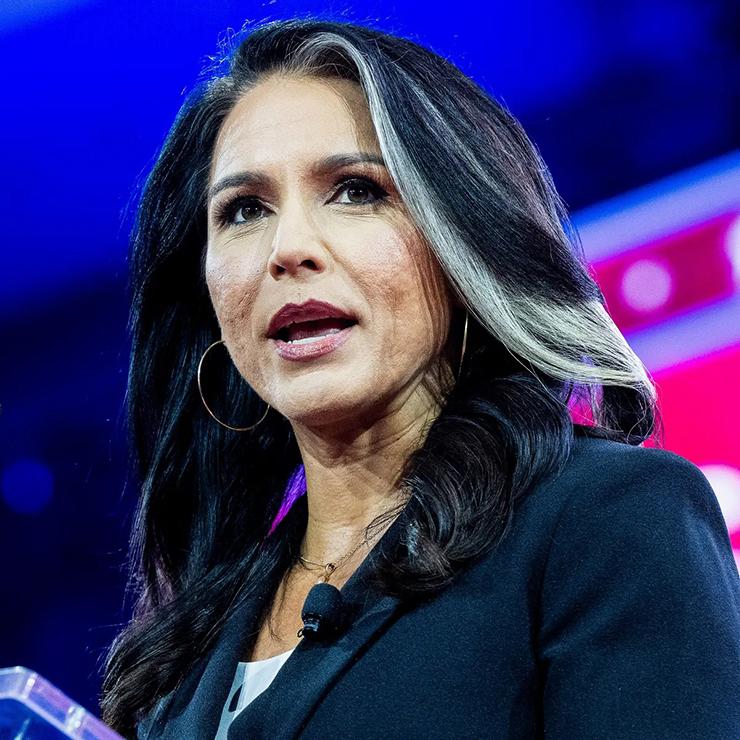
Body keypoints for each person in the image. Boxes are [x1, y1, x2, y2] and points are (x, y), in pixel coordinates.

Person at [101, 17, 740, 740]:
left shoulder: (606, 517)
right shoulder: (186, 657)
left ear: (462, 246)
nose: (288, 250)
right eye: (244, 210)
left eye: (354, 190)